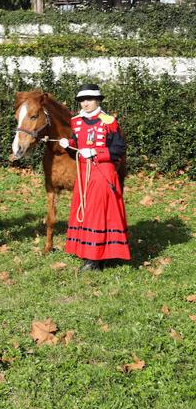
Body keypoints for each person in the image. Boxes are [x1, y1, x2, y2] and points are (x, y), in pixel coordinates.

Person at [59, 83, 129, 270]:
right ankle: (90, 252)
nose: (85, 103)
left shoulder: (109, 121)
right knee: (85, 215)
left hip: (102, 173)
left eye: (89, 99)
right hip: (83, 175)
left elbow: (119, 149)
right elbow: (77, 145)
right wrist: (69, 144)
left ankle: (94, 259)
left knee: (97, 215)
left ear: (97, 100)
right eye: (82, 100)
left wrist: (97, 152)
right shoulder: (77, 122)